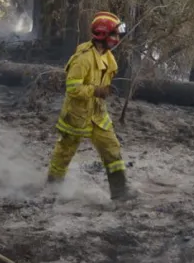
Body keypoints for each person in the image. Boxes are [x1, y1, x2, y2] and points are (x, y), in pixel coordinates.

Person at [46, 11, 134, 200]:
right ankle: (52, 187)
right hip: (77, 115)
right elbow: (72, 88)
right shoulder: (82, 59)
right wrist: (95, 90)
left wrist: (104, 90)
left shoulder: (109, 58)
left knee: (112, 148)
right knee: (65, 152)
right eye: (114, 35)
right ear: (103, 35)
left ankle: (120, 194)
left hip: (98, 115)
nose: (117, 39)